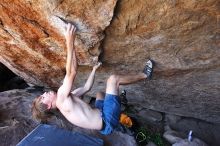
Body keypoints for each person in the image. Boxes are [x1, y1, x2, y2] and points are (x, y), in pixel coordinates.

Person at [32, 23, 154, 135]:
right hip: (107, 120)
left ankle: (119, 101)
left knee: (100, 94)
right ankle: (144, 75)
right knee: (113, 80)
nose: (45, 93)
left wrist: (94, 70)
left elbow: (86, 87)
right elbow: (71, 72)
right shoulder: (61, 100)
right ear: (48, 106)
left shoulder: (67, 98)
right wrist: (69, 39)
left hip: (102, 117)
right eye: (43, 97)